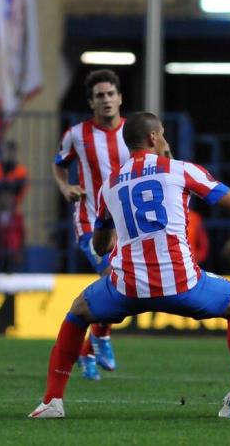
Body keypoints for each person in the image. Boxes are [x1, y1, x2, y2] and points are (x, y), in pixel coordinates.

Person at [29, 112, 230, 419]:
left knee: (78, 313)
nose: (165, 139)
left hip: (127, 288)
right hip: (181, 283)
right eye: (163, 134)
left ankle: (51, 402)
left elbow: (100, 246)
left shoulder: (109, 185)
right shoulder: (181, 170)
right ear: (154, 137)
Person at [52, 69, 130, 381]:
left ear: (120, 98)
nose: (106, 100)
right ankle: (101, 338)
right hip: (90, 222)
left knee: (123, 284)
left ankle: (87, 350)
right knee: (114, 275)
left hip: (127, 225)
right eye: (100, 95)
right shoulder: (76, 135)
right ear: (91, 102)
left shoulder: (134, 133)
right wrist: (65, 187)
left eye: (111, 94)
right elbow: (59, 165)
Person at [0, 140, 28, 210]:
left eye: (12, 152)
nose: (10, 155)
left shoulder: (21, 170)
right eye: (7, 151)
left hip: (13, 205)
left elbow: (21, 190)